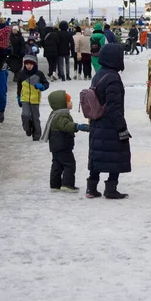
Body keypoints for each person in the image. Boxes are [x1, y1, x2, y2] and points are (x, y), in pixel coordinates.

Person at [86, 44, 131, 199]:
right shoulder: (113, 78)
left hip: (97, 121)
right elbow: (113, 107)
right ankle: (111, 188)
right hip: (110, 124)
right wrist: (121, 128)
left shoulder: (99, 74)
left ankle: (91, 188)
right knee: (116, 154)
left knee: (98, 154)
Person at [42, 90, 90, 193]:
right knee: (69, 163)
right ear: (61, 104)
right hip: (62, 145)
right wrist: (77, 126)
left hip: (56, 145)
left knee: (57, 164)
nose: (71, 102)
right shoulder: (60, 116)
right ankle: (67, 184)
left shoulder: (56, 114)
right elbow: (66, 125)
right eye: (69, 101)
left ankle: (55, 185)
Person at [17, 54, 49, 141]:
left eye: (31, 64)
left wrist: (41, 86)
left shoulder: (39, 74)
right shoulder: (21, 74)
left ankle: (37, 135)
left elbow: (46, 84)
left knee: (35, 117)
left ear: (34, 64)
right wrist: (18, 96)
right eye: (27, 64)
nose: (29, 66)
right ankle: (27, 128)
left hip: (35, 99)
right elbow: (19, 86)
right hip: (25, 98)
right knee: (25, 115)